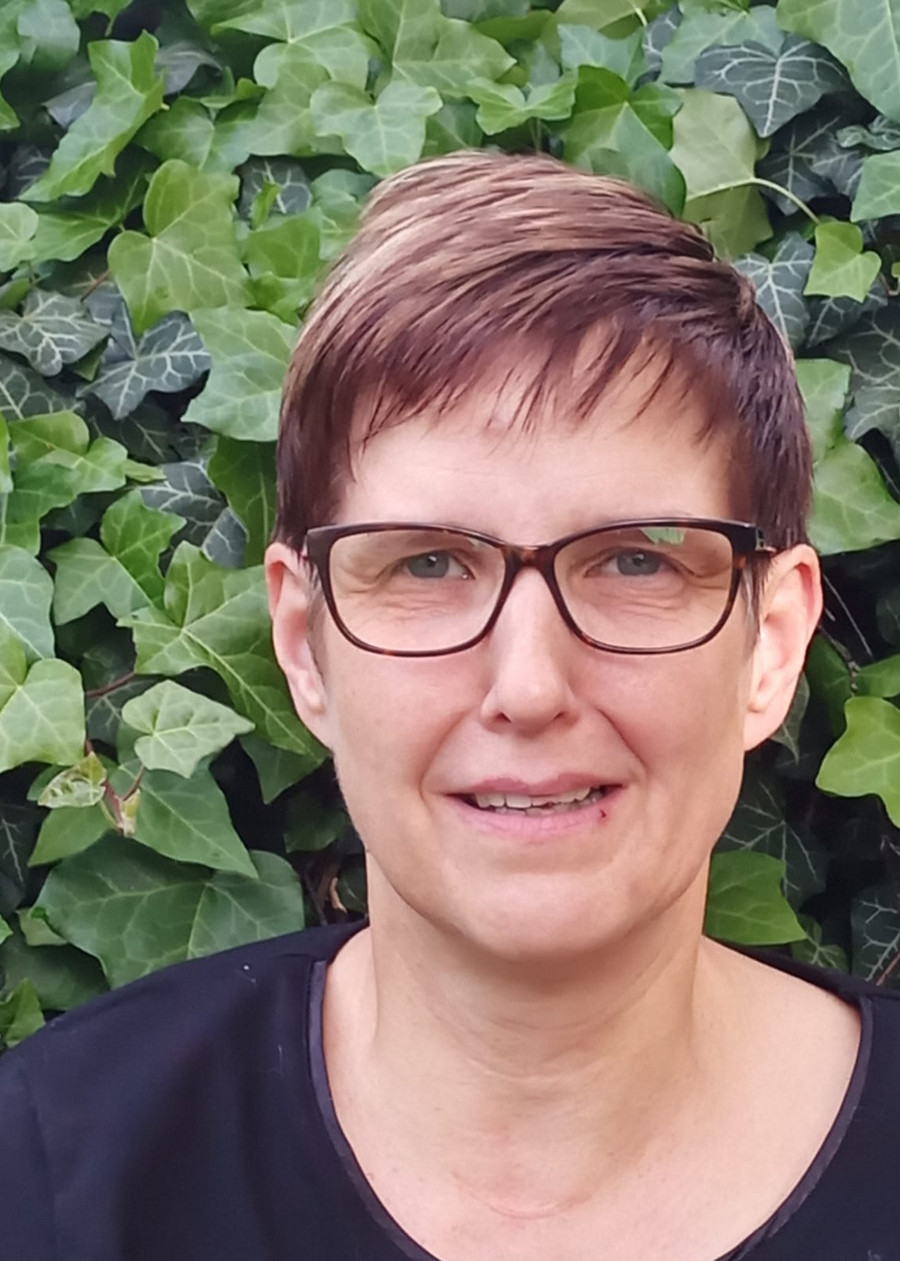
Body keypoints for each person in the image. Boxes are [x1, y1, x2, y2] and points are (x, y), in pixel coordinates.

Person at [0, 150, 897, 1261]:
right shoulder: (55, 1173)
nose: (529, 687)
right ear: (306, 644)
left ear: (771, 642)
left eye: (635, 561)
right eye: (427, 564)